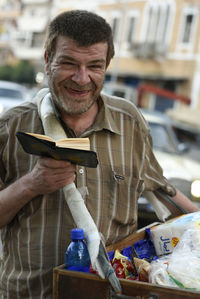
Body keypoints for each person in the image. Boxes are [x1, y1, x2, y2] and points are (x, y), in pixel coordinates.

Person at [0, 10, 199, 299]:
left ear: (107, 65)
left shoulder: (129, 122)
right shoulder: (11, 126)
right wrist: (32, 183)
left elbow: (164, 191)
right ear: (47, 60)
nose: (82, 79)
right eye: (68, 63)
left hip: (111, 293)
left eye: (94, 66)